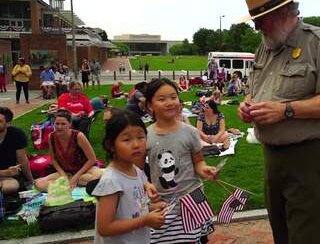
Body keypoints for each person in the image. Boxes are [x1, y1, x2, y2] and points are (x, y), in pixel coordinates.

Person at [237, 0, 320, 244]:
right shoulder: (266, 46)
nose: (257, 27)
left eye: (260, 20)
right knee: (283, 235)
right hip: (274, 157)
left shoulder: (319, 42)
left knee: (307, 237)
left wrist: (286, 111)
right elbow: (257, 91)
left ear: (282, 12)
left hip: (310, 157)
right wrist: (248, 105)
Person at [142, 78, 217, 243]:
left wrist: (204, 169)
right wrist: (146, 185)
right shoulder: (145, 136)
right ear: (149, 105)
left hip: (193, 198)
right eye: (161, 99)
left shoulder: (190, 132)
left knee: (195, 239)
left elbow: (198, 162)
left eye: (173, 97)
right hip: (162, 203)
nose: (169, 103)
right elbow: (137, 170)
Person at [93, 110, 165, 243]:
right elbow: (105, 228)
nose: (136, 144)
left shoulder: (135, 170)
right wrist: (145, 220)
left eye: (141, 137)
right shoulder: (111, 182)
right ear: (111, 146)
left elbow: (131, 209)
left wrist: (151, 207)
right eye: (127, 139)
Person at [34, 109, 102, 191]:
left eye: (63, 124)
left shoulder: (78, 136)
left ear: (70, 124)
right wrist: (63, 175)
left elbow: (92, 159)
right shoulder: (51, 137)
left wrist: (76, 177)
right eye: (57, 123)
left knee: (98, 177)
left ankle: (66, 186)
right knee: (39, 184)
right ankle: (72, 184)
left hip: (85, 170)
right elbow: (53, 159)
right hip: (66, 172)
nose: (59, 127)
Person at [0, 107, 33, 195]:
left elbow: (22, 159)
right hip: (4, 173)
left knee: (12, 186)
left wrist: (31, 182)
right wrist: (4, 172)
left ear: (8, 123)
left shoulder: (16, 134)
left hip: (7, 177)